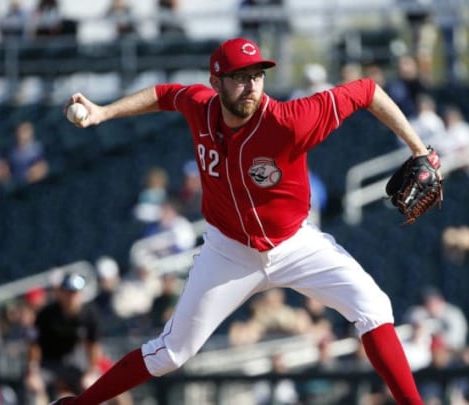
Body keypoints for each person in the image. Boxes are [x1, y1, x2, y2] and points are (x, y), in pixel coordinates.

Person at [53, 36, 433, 405]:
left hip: (294, 244)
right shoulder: (200, 106)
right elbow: (164, 94)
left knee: (374, 308)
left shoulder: (290, 120)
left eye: (257, 75)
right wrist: (104, 111)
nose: (251, 85)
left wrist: (419, 149)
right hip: (229, 251)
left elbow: (367, 90)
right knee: (171, 353)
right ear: (215, 82)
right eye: (239, 76)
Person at [26, 273, 102, 403]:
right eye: (69, 292)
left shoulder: (89, 314)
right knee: (33, 388)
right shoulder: (46, 314)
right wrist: (33, 372)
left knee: (94, 387)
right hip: (48, 362)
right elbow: (34, 344)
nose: (72, 296)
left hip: (75, 360)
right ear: (61, 293)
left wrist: (91, 371)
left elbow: (92, 345)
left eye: (76, 292)